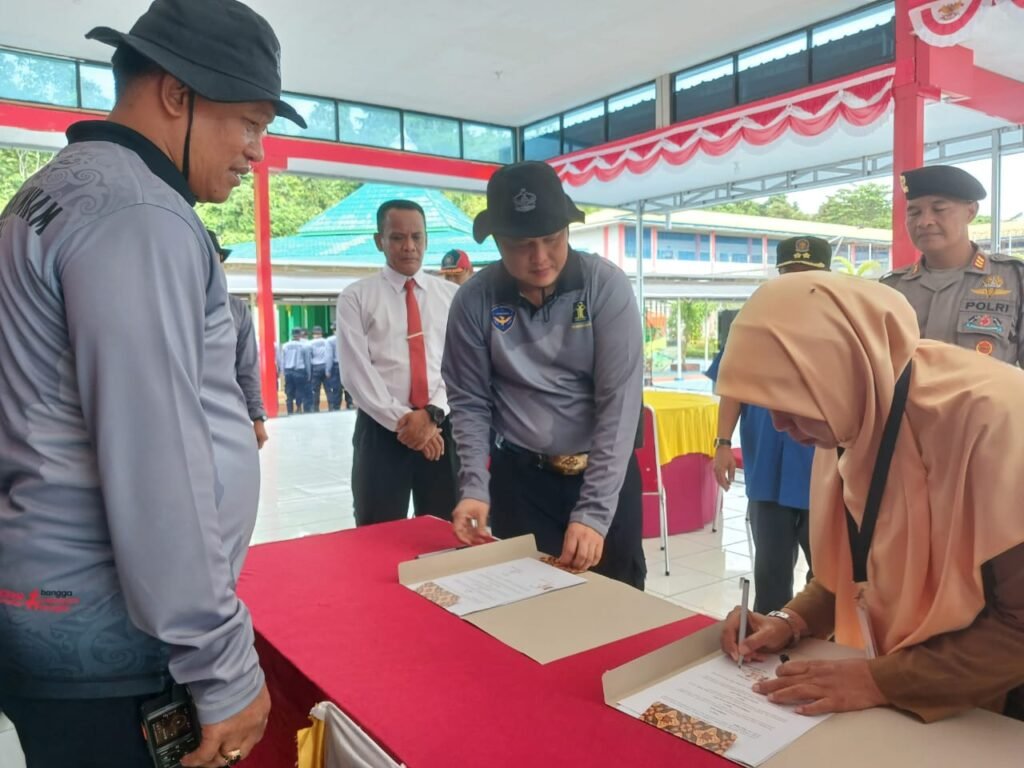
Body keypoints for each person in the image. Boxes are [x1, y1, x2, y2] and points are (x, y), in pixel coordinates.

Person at [0, 0, 306, 765]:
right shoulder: (139, 213)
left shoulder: (55, 192)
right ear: (177, 94)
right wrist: (223, 664)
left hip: (49, 602)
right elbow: (156, 458)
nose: (255, 154)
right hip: (106, 637)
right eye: (250, 123)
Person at [717, 271, 1024, 723]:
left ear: (844, 365)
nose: (780, 424)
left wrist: (880, 681)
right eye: (766, 402)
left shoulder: (995, 424)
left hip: (990, 705)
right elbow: (856, 574)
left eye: (791, 395)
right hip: (905, 683)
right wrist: (790, 621)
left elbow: (1018, 625)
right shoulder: (853, 409)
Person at [442, 161, 645, 588]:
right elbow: (469, 400)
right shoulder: (474, 301)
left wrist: (593, 512)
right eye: (521, 244)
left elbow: (619, 405)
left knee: (619, 608)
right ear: (497, 242)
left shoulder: (604, 287)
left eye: (552, 239)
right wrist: (475, 486)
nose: (540, 258)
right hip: (522, 483)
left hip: (604, 477)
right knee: (527, 609)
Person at [709, 236, 832, 613]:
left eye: (807, 274)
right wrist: (722, 443)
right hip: (767, 471)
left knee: (828, 574)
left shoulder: (840, 326)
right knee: (771, 574)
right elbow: (731, 387)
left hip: (822, 471)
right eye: (790, 273)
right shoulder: (752, 321)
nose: (797, 282)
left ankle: (824, 647)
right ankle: (768, 641)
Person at [336, 200, 459, 525]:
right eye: (397, 238)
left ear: (427, 239)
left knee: (444, 533)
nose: (409, 247)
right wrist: (406, 423)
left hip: (440, 429)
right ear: (380, 241)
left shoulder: (451, 297)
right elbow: (355, 373)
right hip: (381, 431)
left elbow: (461, 367)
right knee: (376, 531)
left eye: (417, 237)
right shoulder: (356, 297)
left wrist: (432, 415)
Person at [882, 164, 1024, 365]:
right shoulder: (890, 288)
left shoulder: (1014, 279)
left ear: (970, 212)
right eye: (914, 213)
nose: (924, 222)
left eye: (939, 209)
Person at [210, 229, 268, 449]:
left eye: (211, 256)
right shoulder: (172, 305)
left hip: (228, 414)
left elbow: (247, 368)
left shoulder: (236, 309)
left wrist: (257, 418)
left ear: (220, 259)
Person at [280, 327, 312, 415]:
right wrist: (309, 374)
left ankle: (289, 410)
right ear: (299, 335)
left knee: (289, 392)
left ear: (292, 334)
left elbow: (282, 360)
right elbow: (307, 361)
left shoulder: (285, 346)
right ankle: (298, 408)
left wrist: (282, 373)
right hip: (300, 371)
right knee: (299, 390)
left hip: (288, 371)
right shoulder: (304, 346)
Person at [307, 325, 332, 412]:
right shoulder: (326, 342)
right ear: (321, 333)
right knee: (328, 389)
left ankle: (315, 408)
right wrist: (328, 369)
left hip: (315, 368)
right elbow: (329, 355)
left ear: (313, 334)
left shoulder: (309, 343)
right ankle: (331, 407)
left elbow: (309, 358)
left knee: (315, 390)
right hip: (325, 366)